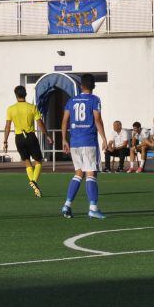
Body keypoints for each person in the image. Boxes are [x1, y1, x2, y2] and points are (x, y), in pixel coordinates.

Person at [60, 73, 107, 219]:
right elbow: (97, 119)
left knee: (79, 173)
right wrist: (104, 138)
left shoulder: (71, 100)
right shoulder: (94, 99)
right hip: (88, 141)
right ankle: (93, 208)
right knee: (91, 173)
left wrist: (64, 139)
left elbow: (64, 120)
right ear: (93, 86)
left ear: (81, 86)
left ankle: (67, 205)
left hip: (74, 142)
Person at [2, 85, 51, 197]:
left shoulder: (11, 109)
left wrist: (5, 141)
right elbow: (40, 123)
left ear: (16, 95)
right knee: (38, 160)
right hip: (30, 136)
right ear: (26, 94)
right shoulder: (32, 107)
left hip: (19, 138)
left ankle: (35, 188)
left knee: (27, 161)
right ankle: (34, 181)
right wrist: (47, 135)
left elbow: (8, 126)